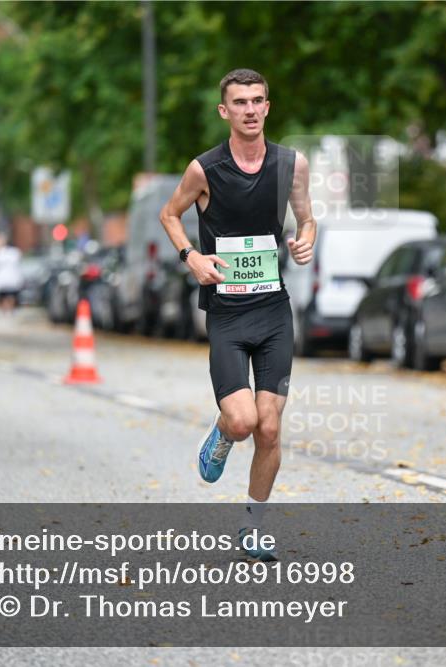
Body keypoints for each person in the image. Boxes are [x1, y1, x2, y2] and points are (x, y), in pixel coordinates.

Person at [159, 68, 316, 561]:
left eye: (257, 100)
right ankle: (224, 433)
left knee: (269, 427)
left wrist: (306, 239)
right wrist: (191, 257)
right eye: (240, 102)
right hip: (227, 314)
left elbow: (307, 218)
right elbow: (169, 214)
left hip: (273, 311)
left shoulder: (291, 164)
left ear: (268, 106)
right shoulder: (205, 169)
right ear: (224, 111)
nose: (250, 110)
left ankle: (253, 526)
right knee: (244, 421)